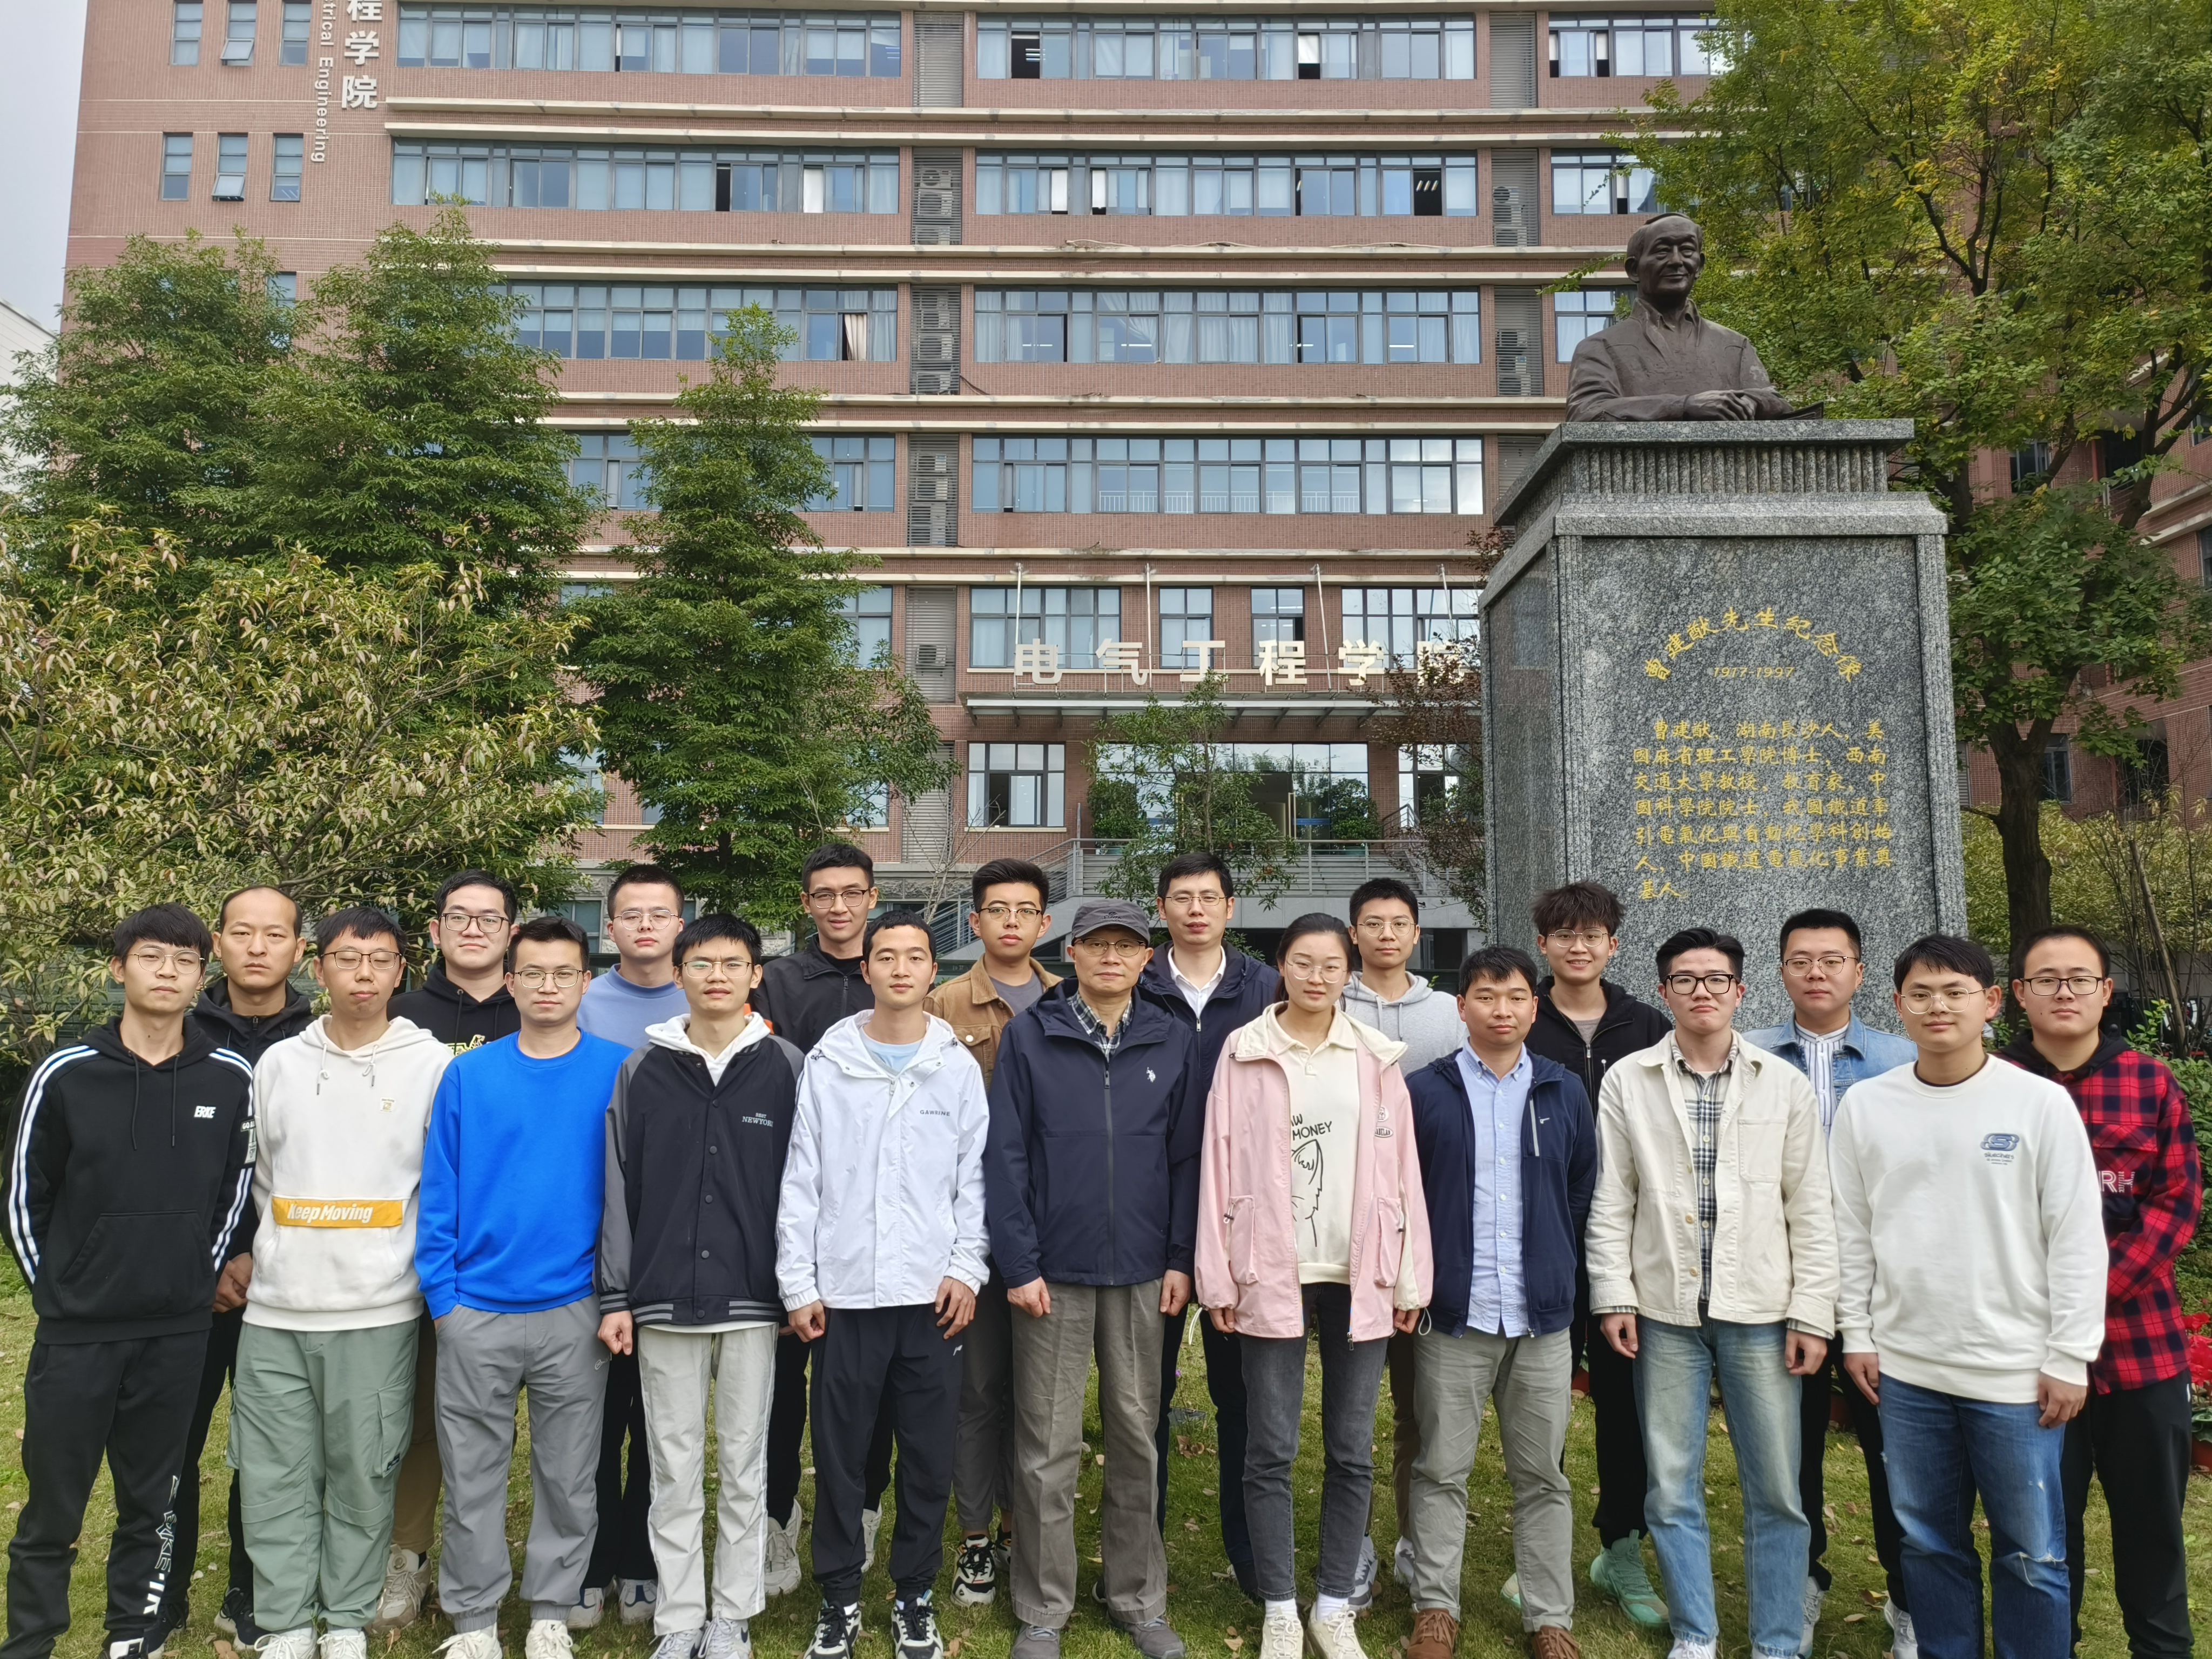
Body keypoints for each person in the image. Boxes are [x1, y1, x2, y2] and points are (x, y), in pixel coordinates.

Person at [1829, 934, 2107, 1659]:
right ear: (1897, 1005)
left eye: (1955, 992)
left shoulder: (2039, 1104)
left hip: (2014, 1373)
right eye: (1920, 994)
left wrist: (2070, 1354)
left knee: (2032, 1553)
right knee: (1928, 1543)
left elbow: (2078, 1237)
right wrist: (1857, 1333)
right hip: (1908, 1370)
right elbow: (1850, 1231)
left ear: (1989, 1003)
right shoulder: (1867, 1107)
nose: (1937, 1007)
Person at [3, 905, 255, 1659]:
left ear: (202, 976)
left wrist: (195, 1277)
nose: (168, 972)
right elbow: (24, 1195)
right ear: (120, 969)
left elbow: (234, 1192)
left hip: (177, 1331)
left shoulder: (230, 1077)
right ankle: (31, 1641)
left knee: (153, 1502)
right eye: (151, 957)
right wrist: (59, 1293)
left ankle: (133, 1637)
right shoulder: (66, 1073)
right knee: (53, 1509)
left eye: (185, 961)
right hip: (77, 1333)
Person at [1586, 926, 1836, 1659]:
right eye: (1686, 980)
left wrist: (1812, 1311)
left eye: (1717, 979)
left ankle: (1778, 1641)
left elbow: (1810, 1207)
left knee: (1778, 1490)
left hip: (1761, 1311)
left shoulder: (1781, 1084)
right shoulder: (1629, 1080)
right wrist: (1614, 1295)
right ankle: (1695, 1634)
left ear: (1740, 990)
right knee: (1670, 1486)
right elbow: (1613, 1199)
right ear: (1664, 992)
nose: (1703, 991)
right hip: (1663, 1311)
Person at [1193, 914, 1431, 1659]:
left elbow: (1405, 1172)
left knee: (1351, 1448)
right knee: (1270, 1446)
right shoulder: (1245, 1050)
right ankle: (1278, 1607)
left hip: (1359, 1272)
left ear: (1348, 971)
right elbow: (1217, 1165)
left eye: (1332, 965)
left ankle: (1333, 1604)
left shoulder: (1374, 1057)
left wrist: (1410, 1276)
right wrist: (1216, 1275)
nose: (1318, 977)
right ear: (1282, 968)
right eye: (1303, 963)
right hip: (1269, 1270)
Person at [229, 907, 451, 1659]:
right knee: (274, 1474)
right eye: (348, 959)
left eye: (380, 960)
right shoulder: (279, 1065)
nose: (364, 974)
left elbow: (439, 1183)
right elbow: (260, 1176)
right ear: (317, 966)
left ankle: (348, 1618)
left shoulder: (431, 1065)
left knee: (364, 1470)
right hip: (277, 1310)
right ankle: (287, 1621)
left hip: (377, 1308)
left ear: (401, 971)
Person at [987, 898, 1204, 1659]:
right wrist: (1019, 1264)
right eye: (1097, 945)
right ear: (1071, 954)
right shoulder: (1031, 1036)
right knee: (1046, 1446)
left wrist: (1181, 1258)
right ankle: (1043, 1607)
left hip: (1144, 1273)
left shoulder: (1173, 1040)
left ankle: (1138, 1598)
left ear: (1147, 959)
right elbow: (1006, 1156)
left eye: (1126, 946)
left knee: (1137, 1438)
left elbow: (1187, 1159)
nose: (1112, 958)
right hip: (1053, 1274)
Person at [415, 915, 629, 1659]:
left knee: (570, 1474)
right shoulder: (468, 1076)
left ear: (585, 982)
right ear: (510, 981)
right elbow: (438, 1191)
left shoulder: (620, 1071)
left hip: (575, 1307)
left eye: (563, 973)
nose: (547, 986)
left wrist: (611, 1295)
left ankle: (551, 1611)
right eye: (532, 973)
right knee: (471, 1474)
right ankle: (474, 1619)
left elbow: (631, 1191)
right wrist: (444, 1300)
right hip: (475, 1307)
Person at [780, 913, 991, 1659]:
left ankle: (914, 1595)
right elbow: (802, 1178)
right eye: (886, 956)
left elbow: (974, 1180)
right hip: (845, 1296)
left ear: (934, 970)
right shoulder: (829, 1062)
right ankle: (839, 1596)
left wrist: (966, 1269)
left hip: (932, 1300)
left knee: (927, 1457)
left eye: (916, 957)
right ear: (865, 968)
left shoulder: (954, 1066)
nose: (901, 968)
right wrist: (798, 1283)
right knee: (840, 1456)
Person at [598, 914, 806, 1659]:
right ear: (679, 973)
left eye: (733, 963)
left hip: (754, 1300)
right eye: (702, 963)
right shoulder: (643, 1070)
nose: (717, 976)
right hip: (662, 1300)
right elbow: (618, 1186)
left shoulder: (787, 1066)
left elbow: (807, 1185)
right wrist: (617, 1295)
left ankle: (733, 1615)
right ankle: (680, 1617)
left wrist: (798, 1286)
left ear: (756, 975)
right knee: (673, 1464)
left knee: (745, 1463)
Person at [2000, 926, 2199, 1659]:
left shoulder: (2150, 1083)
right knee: (2039, 1538)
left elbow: (2175, 1204)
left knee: (2153, 1532)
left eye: (2079, 978)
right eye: (2045, 979)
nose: (2063, 992)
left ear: (2105, 991)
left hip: (2139, 1352)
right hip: (2025, 1358)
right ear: (2018, 994)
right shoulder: (1992, 1085)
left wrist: (2086, 1298)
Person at [1401, 945, 1594, 1659]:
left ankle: (1550, 1618)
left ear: (1534, 1007)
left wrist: (1558, 1269)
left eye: (1515, 997)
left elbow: (1581, 1191)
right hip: (1456, 1314)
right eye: (1486, 996)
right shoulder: (1426, 1091)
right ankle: (1434, 1608)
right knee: (1440, 1469)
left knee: (1543, 1475)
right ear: (1462, 1007)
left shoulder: (1562, 1091)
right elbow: (1404, 1195)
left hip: (1542, 1317)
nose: (1501, 1010)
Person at [1742, 909, 1917, 1657]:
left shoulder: (1905, 1060)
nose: (1817, 973)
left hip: (1884, 1286)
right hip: (1780, 1284)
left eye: (1832, 960)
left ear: (1860, 972)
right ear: (1781, 970)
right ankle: (1803, 1582)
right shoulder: (1748, 1055)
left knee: (1897, 1453)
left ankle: (1908, 1597)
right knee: (1792, 1449)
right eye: (1801, 961)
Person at [156, 886, 314, 1653]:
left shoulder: (323, 1036)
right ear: (217, 945)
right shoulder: (176, 1031)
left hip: (288, 1278)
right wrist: (214, 1258)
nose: (257, 947)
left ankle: (250, 1590)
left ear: (300, 950)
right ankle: (159, 1595)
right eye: (242, 933)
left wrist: (258, 1251)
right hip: (191, 1281)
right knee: (171, 1446)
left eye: (275, 935)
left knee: (273, 1451)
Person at [379, 870, 524, 1634]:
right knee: (420, 1420)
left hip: (524, 1255)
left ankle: (514, 1565)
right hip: (418, 1251)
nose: (473, 929)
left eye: (489, 918)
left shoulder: (539, 1008)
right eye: (458, 917)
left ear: (511, 932)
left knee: (513, 1426)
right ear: (434, 931)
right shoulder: (401, 1016)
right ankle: (405, 1557)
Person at [1521, 881, 1669, 1627]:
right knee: (1538, 1404)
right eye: (1565, 935)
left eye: (1592, 935)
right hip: (1542, 1239)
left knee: (1624, 1402)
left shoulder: (1647, 1026)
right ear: (1543, 944)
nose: (1578, 947)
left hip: (1632, 1247)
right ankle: (1539, 1554)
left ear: (1614, 944)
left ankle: (1621, 1547)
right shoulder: (1523, 1019)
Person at [1135, 853, 1280, 1603]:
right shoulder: (1134, 982)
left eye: (1209, 897)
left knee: (1242, 1398)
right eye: (1182, 897)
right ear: (1161, 907)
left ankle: (1252, 1556)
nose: (1196, 909)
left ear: (1230, 906)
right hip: (1146, 1209)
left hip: (1243, 1215)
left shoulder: (1267, 989)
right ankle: (1141, 1556)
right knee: (1143, 1399)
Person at [753, 844, 897, 1598]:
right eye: (824, 895)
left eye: (852, 893)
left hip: (877, 1211)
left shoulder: (897, 973)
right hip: (788, 1199)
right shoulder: (777, 981)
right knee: (783, 1379)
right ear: (806, 903)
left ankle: (865, 1506)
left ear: (871, 897)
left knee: (870, 1380)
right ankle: (777, 1517)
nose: (839, 907)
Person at [923, 858, 1061, 1608]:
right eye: (998, 910)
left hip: (1050, 1228)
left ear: (1045, 923)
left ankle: (1019, 1526)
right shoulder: (942, 1006)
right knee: (978, 1389)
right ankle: (975, 1536)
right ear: (974, 922)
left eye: (1026, 910)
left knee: (1036, 1393)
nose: (1012, 922)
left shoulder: (1067, 1001)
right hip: (969, 1229)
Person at [1337, 878, 1462, 1597]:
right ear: (1354, 932)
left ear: (1417, 932)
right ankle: (1351, 1546)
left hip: (1425, 1226)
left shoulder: (1448, 1013)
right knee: (1349, 1410)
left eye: (1399, 923)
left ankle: (1416, 1539)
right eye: (1373, 923)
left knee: (1420, 1405)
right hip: (1347, 1232)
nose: (1386, 935)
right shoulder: (1330, 1000)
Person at [574, 864, 692, 1630]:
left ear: (680, 924)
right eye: (631, 915)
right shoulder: (581, 1003)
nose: (646, 926)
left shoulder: (705, 998)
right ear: (610, 927)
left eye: (660, 914)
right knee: (593, 1414)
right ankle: (591, 1559)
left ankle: (644, 1561)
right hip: (586, 1226)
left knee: (659, 1413)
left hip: (675, 1234)